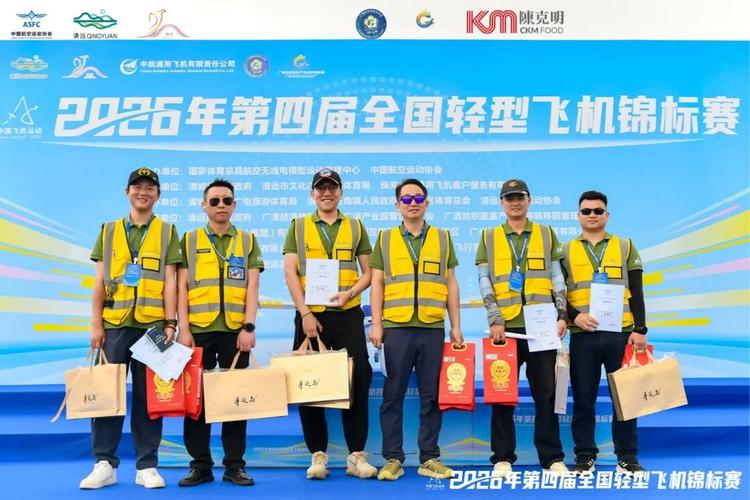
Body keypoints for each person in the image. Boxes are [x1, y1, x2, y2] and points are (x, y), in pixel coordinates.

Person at [81, 167, 182, 489]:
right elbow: (99, 281)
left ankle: (147, 466)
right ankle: (104, 464)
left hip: (153, 328)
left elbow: (170, 281)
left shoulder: (167, 231)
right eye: (137, 186)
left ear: (158, 195)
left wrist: (171, 322)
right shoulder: (109, 230)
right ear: (127, 192)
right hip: (114, 325)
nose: (143, 192)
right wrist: (96, 324)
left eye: (150, 187)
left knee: (149, 398)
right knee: (107, 395)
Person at [282, 168, 376, 479]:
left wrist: (351, 292)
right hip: (311, 316)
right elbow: (290, 272)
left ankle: (356, 455)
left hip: (347, 313)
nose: (326, 193)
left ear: (340, 192)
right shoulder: (298, 227)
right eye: (320, 188)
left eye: (332, 188)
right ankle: (318, 455)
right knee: (309, 384)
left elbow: (369, 271)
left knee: (357, 380)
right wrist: (305, 313)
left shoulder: (356, 226)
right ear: (312, 194)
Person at [370, 178, 464, 481]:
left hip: (431, 327)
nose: (413, 203)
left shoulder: (443, 238)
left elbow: (451, 283)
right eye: (407, 199)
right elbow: (377, 283)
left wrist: (456, 325)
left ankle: (429, 457)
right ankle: (393, 458)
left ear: (427, 202)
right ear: (397, 205)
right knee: (392, 395)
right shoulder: (384, 238)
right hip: (396, 328)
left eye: (418, 198)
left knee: (431, 395)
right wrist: (376, 323)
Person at [476, 179, 569, 477]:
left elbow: (557, 277)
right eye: (509, 198)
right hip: (506, 330)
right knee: (502, 393)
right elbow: (484, 280)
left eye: (519, 197)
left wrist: (562, 315)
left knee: (546, 394)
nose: (515, 202)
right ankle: (502, 457)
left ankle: (552, 457)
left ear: (529, 200)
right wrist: (495, 318)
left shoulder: (546, 233)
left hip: (542, 328)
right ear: (501, 203)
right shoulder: (489, 236)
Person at [176, 178, 264, 487]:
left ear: (234, 205)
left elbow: (253, 286)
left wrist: (249, 326)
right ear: (204, 206)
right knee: (196, 402)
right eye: (214, 201)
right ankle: (200, 466)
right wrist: (183, 329)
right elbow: (181, 286)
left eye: (227, 200)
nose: (221, 205)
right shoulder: (189, 240)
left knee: (235, 401)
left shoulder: (247, 240)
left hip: (235, 333)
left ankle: (234, 466)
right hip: (198, 332)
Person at [562, 190, 648, 475]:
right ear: (578, 215)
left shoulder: (625, 246)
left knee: (625, 398)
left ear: (607, 215)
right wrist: (575, 316)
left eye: (598, 211)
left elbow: (636, 290)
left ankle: (627, 456)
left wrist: (640, 328)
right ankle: (585, 455)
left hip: (620, 334)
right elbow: (557, 294)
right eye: (586, 211)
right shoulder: (564, 250)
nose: (592, 215)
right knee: (583, 398)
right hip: (582, 334)